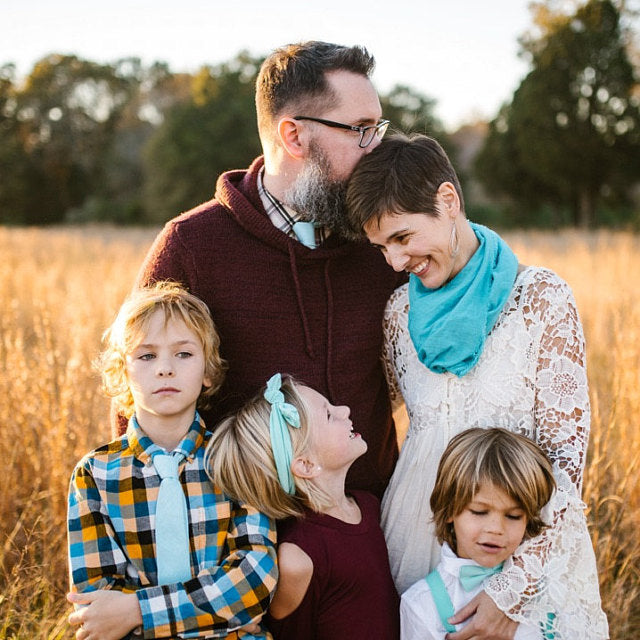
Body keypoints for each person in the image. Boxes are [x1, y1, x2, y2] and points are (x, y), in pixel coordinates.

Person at [344, 133, 609, 639]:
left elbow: (566, 463)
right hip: (416, 538)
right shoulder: (399, 313)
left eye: (402, 238)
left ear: (447, 201)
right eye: (381, 248)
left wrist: (513, 590)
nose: (395, 264)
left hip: (521, 543)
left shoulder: (540, 299)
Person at [129, 41, 406, 499]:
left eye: (378, 129)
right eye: (360, 130)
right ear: (294, 136)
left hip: (371, 524)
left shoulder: (386, 240)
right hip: (241, 535)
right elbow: (139, 403)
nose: (376, 148)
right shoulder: (192, 245)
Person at [66, 282, 277, 639]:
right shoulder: (95, 475)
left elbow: (254, 580)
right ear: (122, 372)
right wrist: (219, 617)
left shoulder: (238, 460)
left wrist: (137, 611)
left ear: (208, 371)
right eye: (146, 356)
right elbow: (98, 608)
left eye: (183, 354)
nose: (165, 368)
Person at [206, 373, 400, 640]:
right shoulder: (299, 557)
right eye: (330, 415)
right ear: (306, 465)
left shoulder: (370, 505)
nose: (345, 409)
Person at [401, 428, 556, 639]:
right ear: (449, 510)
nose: (496, 528)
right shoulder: (421, 604)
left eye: (513, 516)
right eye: (479, 512)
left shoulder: (543, 588)